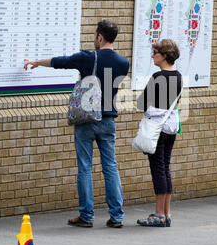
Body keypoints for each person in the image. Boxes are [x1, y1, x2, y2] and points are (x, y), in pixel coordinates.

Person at [23, 20, 129, 228]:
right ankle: (116, 216)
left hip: (86, 120)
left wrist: (36, 62)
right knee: (110, 166)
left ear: (100, 37)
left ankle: (86, 216)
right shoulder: (123, 62)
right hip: (108, 120)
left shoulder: (88, 57)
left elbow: (60, 61)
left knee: (85, 167)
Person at [136, 39, 182, 227]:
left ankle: (158, 214)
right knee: (165, 167)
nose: (152, 55)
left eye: (155, 52)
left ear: (164, 55)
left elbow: (141, 103)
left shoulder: (157, 77)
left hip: (156, 128)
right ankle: (167, 212)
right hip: (170, 127)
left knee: (158, 170)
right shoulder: (178, 76)